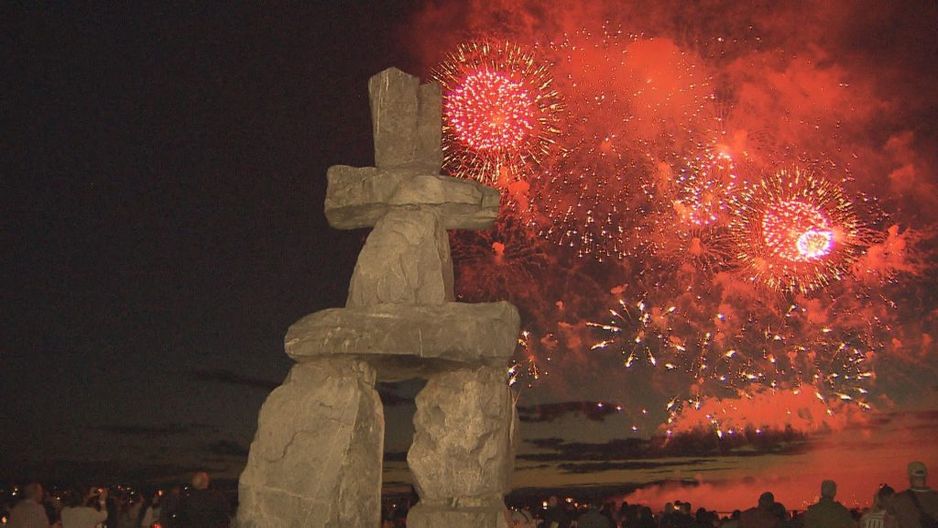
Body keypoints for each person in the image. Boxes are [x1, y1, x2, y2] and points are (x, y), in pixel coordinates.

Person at [890, 462, 938, 528]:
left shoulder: (898, 499)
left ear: (909, 476)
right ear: (926, 476)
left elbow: (891, 523)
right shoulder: (935, 497)